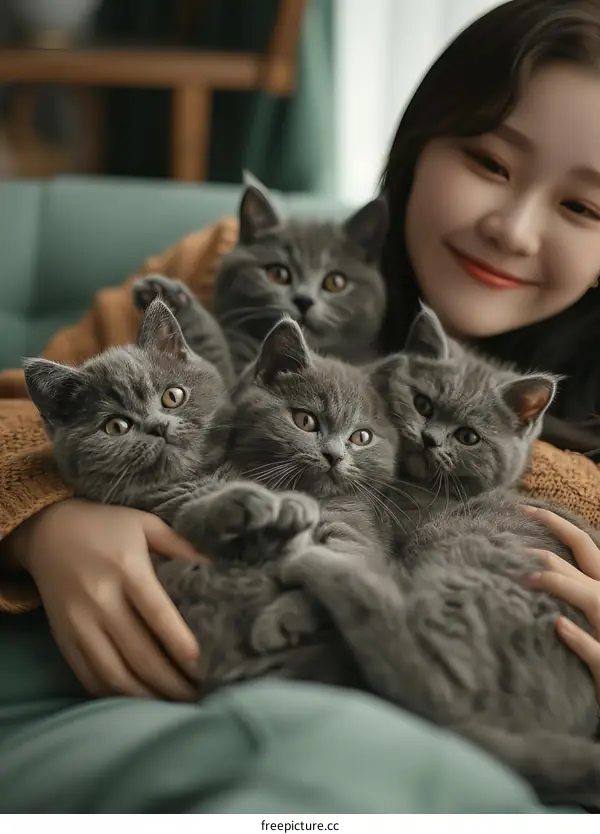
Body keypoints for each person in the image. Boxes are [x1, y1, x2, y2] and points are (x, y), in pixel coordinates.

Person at [0, 0, 599, 813]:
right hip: (98, 695)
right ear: (419, 144)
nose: (513, 229)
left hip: (414, 725)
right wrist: (42, 515)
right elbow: (24, 400)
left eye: (583, 208)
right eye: (490, 162)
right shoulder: (243, 270)